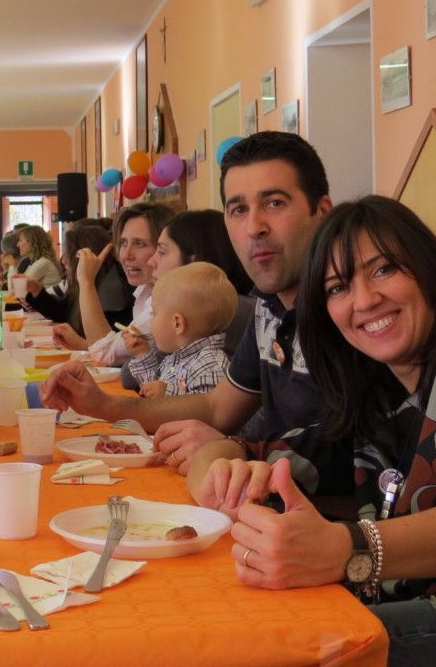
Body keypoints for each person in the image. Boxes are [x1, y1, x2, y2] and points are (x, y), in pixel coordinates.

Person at [189, 196, 436, 666]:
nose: (365, 300)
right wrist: (223, 475)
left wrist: (349, 548)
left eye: (383, 269)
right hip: (397, 615)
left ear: (429, 270)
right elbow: (229, 451)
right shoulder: (374, 409)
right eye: (338, 287)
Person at [42, 132, 351, 504]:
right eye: (238, 209)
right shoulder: (268, 306)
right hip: (264, 506)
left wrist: (235, 448)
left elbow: (354, 454)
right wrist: (104, 405)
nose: (254, 227)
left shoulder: (352, 311)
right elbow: (216, 407)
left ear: (322, 211)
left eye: (274, 203)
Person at [123, 209, 255, 368]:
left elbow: (129, 375)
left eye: (162, 251)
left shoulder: (220, 310)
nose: (152, 262)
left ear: (195, 262)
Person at [52, 202, 176, 361]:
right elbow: (125, 351)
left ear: (163, 249)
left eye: (139, 244)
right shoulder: (145, 290)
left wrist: (86, 281)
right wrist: (83, 344)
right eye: (123, 243)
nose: (126, 255)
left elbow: (104, 353)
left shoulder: (166, 303)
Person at [128, 262, 237, 398]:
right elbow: (150, 391)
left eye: (154, 313)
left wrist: (168, 394)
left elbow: (208, 408)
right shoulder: (174, 358)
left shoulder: (212, 365)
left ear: (177, 324)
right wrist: (142, 353)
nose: (150, 320)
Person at [21, 222, 134, 336]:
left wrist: (86, 281)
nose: (63, 260)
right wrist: (37, 290)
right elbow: (64, 312)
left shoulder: (111, 287)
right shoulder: (93, 278)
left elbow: (100, 340)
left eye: (68, 254)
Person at [11, 225, 62, 292]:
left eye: (20, 240)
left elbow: (17, 290)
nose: (18, 245)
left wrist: (12, 265)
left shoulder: (42, 263)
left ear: (32, 242)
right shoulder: (36, 262)